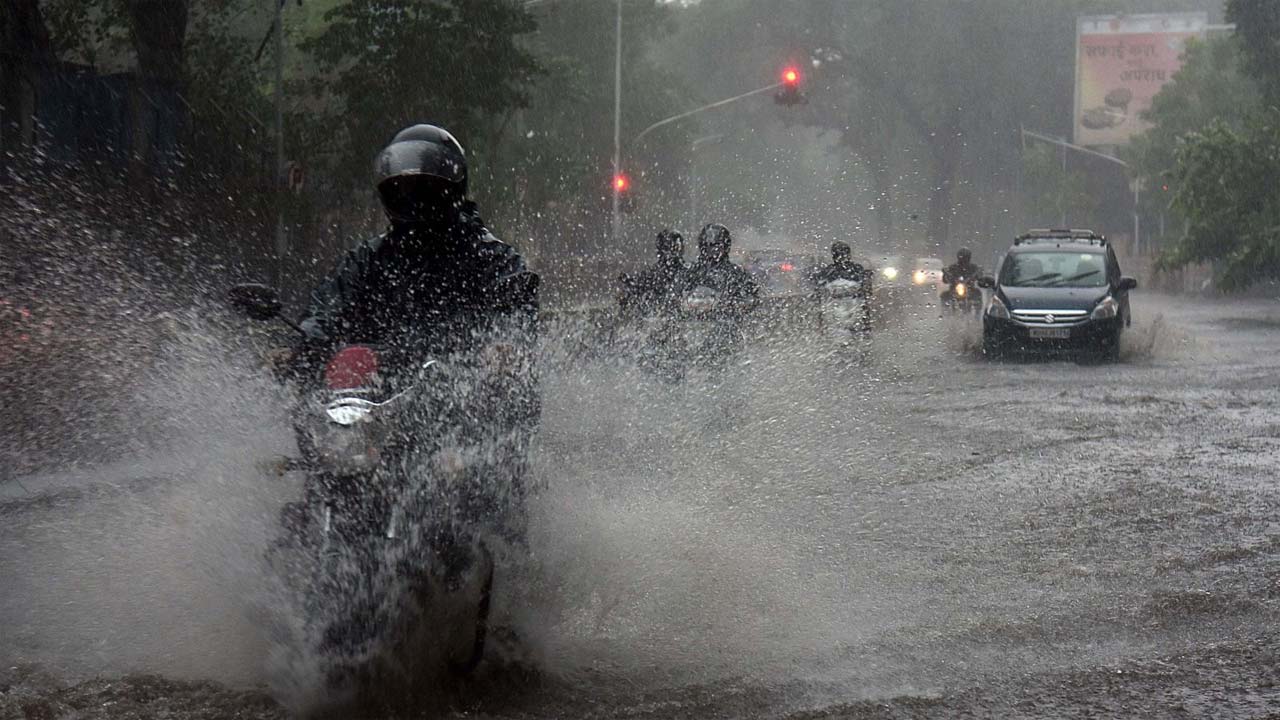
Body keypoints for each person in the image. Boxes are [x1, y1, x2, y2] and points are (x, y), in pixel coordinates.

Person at [291, 123, 540, 532]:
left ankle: (500, 561)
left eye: (424, 189)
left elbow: (514, 317)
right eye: (402, 189)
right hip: (378, 405)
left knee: (488, 485)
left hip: (459, 405)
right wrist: (306, 340)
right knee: (317, 460)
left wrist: (500, 349)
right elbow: (327, 305)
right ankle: (302, 546)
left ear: (450, 191)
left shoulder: (492, 260)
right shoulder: (369, 260)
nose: (412, 199)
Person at [681, 223, 761, 313]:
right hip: (689, 319)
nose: (711, 250)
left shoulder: (736, 273)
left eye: (717, 246)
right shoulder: (691, 271)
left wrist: (736, 304)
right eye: (707, 246)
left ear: (726, 247)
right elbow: (676, 290)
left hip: (725, 320)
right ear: (702, 247)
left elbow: (752, 295)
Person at [618, 229, 686, 316]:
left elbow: (642, 283)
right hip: (661, 313)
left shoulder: (658, 272)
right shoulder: (659, 272)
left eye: (677, 246)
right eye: (675, 247)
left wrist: (631, 282)